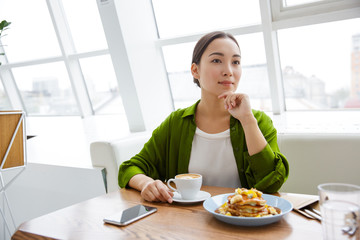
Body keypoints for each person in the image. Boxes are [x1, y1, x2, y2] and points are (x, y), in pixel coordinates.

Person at [118, 31, 289, 203]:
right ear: (195, 70)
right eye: (217, 60)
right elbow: (129, 168)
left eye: (235, 62)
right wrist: (147, 183)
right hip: (187, 222)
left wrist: (247, 120)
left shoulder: (257, 121)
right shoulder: (176, 123)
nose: (229, 71)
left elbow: (271, 184)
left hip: (241, 221)